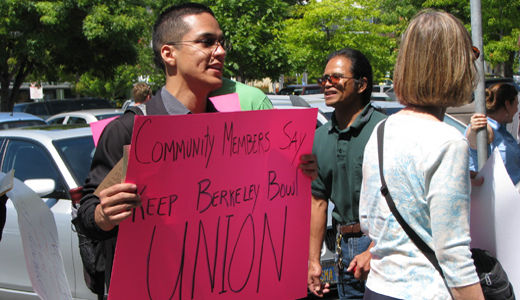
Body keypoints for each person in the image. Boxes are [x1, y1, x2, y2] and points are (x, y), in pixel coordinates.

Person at [75, 2, 316, 295]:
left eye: (221, 42)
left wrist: (297, 174)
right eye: (207, 42)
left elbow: (255, 206)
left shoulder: (236, 135)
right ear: (169, 53)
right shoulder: (130, 131)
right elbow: (88, 214)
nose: (221, 51)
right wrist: (104, 215)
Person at [359, 10, 484, 300]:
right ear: (453, 64)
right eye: (470, 54)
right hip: (426, 292)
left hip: (378, 288)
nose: (473, 64)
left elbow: (368, 219)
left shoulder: (381, 131)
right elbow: (454, 257)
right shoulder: (448, 141)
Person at [308, 48, 386, 299]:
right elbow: (318, 202)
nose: (327, 84)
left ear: (362, 84)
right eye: (324, 79)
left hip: (384, 250)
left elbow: (406, 201)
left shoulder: (385, 130)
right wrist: (314, 261)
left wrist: (375, 250)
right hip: (342, 249)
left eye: (336, 78)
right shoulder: (320, 137)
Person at [466, 82, 520, 185]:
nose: (517, 110)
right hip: (495, 196)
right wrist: (473, 129)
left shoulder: (501, 130)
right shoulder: (485, 128)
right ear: (508, 104)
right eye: (516, 104)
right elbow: (472, 140)